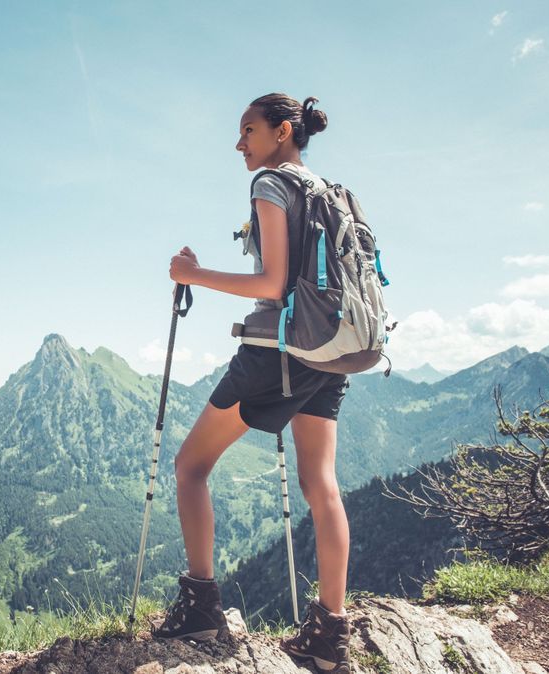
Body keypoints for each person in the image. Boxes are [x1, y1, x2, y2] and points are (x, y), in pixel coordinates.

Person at [153, 93, 353, 674]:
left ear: (282, 132)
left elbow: (271, 284)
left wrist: (190, 275)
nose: (240, 143)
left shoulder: (271, 184)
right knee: (324, 485)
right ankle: (330, 636)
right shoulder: (331, 191)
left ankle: (201, 608)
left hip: (276, 353)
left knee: (190, 467)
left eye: (248, 131)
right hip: (331, 352)